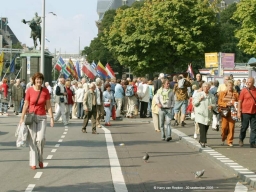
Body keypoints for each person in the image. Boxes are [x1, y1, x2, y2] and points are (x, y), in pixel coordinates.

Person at [19, 72, 54, 170]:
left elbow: (48, 105)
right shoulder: (29, 90)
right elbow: (26, 105)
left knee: (41, 139)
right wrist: (22, 118)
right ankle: (33, 162)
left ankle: (40, 158)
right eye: (37, 79)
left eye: (40, 79)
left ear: (42, 81)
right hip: (31, 117)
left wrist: (51, 118)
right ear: (34, 80)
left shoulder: (45, 91)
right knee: (33, 140)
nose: (39, 81)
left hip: (42, 117)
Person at [193, 82, 216, 148]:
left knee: (205, 128)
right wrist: (200, 99)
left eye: (207, 87)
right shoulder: (199, 94)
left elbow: (214, 104)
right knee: (202, 128)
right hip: (200, 114)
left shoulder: (211, 95)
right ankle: (203, 142)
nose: (206, 88)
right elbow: (195, 103)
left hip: (208, 114)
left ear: (209, 88)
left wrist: (212, 106)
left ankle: (201, 139)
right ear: (202, 88)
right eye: (204, 87)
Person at [218, 81, 239, 147]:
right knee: (224, 127)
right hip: (224, 111)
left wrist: (234, 103)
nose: (230, 86)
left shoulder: (235, 94)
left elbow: (238, 102)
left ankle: (230, 141)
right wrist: (226, 104)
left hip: (232, 112)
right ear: (226, 86)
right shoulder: (222, 93)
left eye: (231, 85)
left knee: (231, 127)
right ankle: (224, 136)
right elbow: (219, 103)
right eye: (228, 85)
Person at [237, 78, 256, 148]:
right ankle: (241, 139)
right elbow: (239, 101)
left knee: (254, 128)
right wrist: (239, 112)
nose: (247, 83)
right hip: (245, 112)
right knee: (244, 127)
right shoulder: (244, 90)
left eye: (249, 82)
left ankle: (252, 142)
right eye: (247, 82)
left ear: (253, 83)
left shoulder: (255, 90)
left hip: (254, 112)